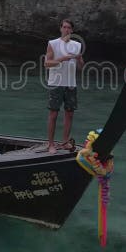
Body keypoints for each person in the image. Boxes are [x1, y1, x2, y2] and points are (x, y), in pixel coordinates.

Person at [44, 18, 84, 153]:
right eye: (64, 27)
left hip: (71, 84)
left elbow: (81, 67)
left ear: (72, 30)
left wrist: (79, 59)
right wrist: (62, 59)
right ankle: (50, 144)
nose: (66, 29)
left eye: (69, 28)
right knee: (53, 114)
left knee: (69, 114)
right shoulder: (53, 44)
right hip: (56, 83)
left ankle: (65, 142)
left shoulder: (77, 45)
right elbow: (47, 64)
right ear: (60, 28)